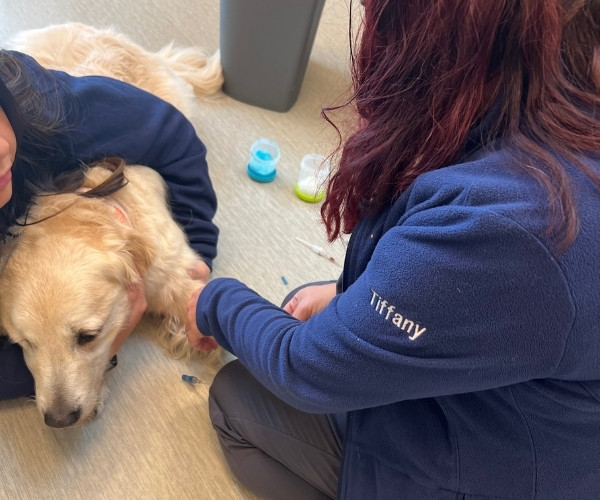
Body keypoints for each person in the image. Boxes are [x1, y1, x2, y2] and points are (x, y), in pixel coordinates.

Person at [185, 0, 600, 498]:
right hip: (541, 408)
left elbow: (305, 369)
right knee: (298, 310)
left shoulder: (509, 228)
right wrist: (344, 292)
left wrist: (213, 300)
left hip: (501, 467)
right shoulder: (562, 94)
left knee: (238, 397)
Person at [0, 48, 219, 400]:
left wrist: (198, 248)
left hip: (57, 106)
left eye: (86, 335)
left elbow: (173, 134)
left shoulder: (45, 110)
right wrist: (114, 338)